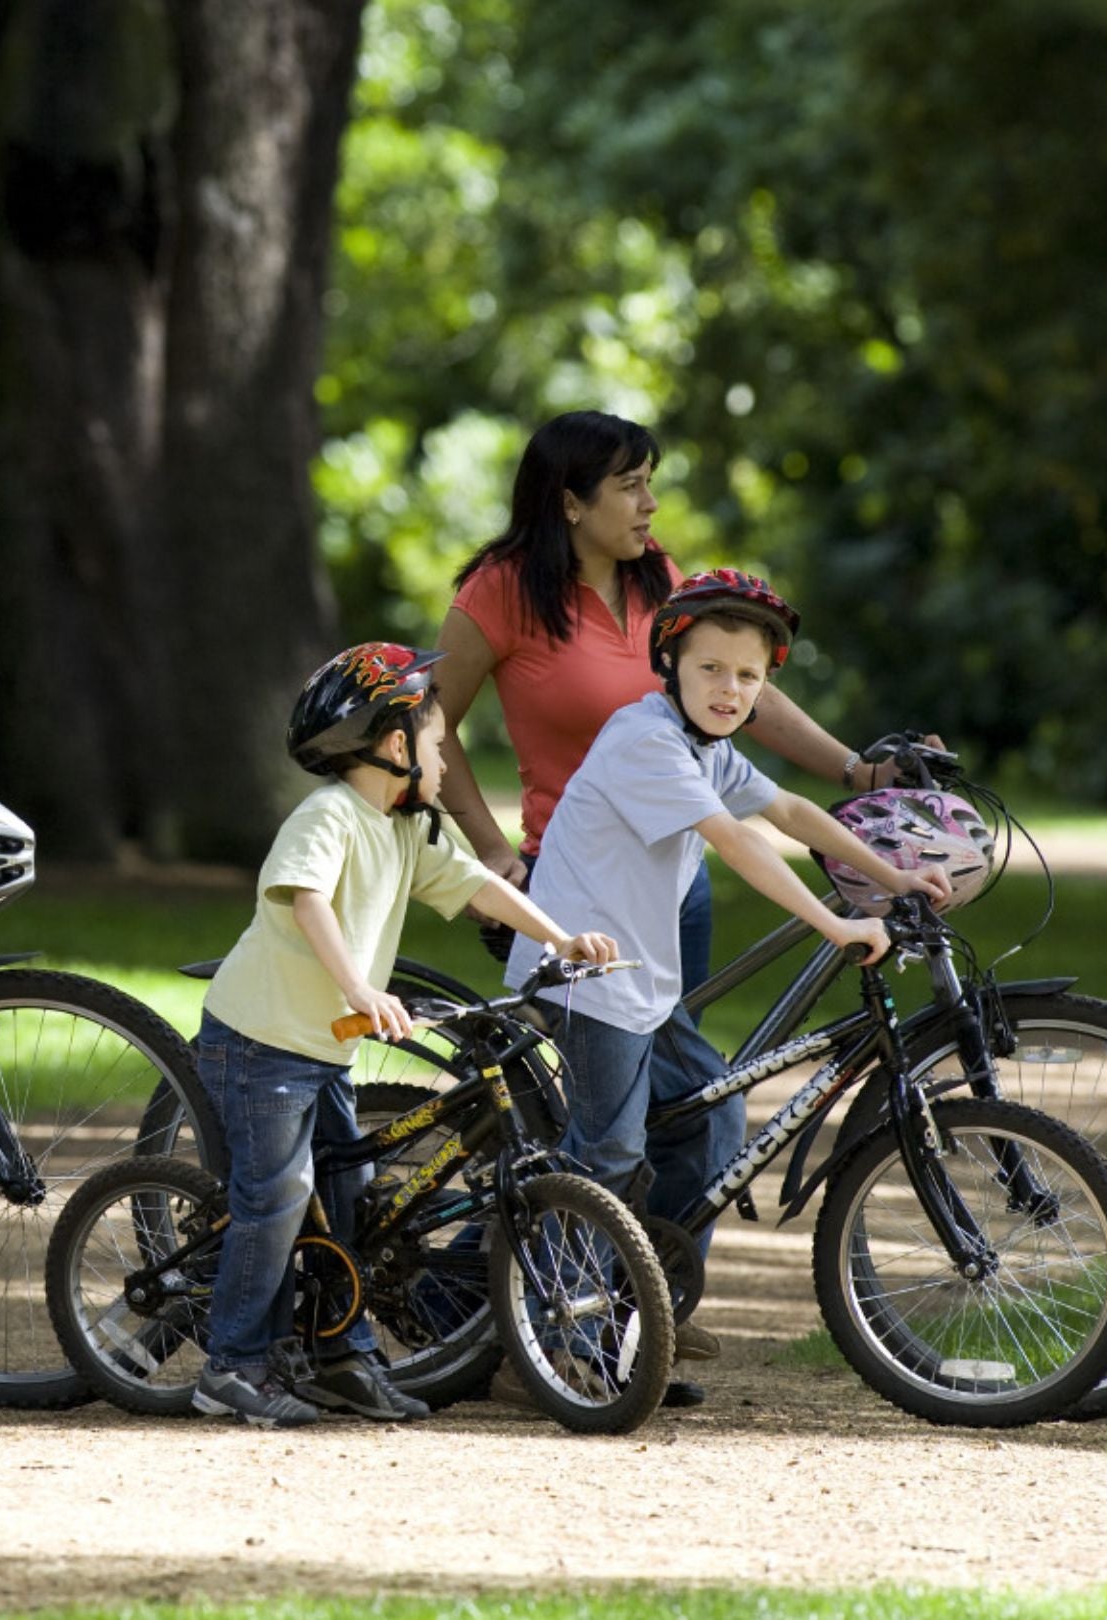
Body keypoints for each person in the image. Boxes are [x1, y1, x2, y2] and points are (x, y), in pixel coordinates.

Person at [430, 410, 934, 1377]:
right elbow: (433, 722)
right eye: (629, 486)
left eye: (651, 482)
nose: (651, 505)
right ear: (570, 500)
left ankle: (639, 1301)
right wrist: (493, 852)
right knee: (615, 1130)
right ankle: (542, 1313)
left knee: (681, 1108)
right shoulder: (503, 595)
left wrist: (859, 787)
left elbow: (752, 724)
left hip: (667, 895)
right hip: (575, 903)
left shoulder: (663, 593)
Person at [505, 570, 954, 1409]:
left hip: (638, 979)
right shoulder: (644, 740)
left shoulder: (708, 747)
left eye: (748, 676)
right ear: (668, 663)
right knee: (607, 1150)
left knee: (712, 1114)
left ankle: (639, 1317)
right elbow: (739, 844)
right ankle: (553, 1339)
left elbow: (785, 809)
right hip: (582, 975)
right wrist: (837, 925)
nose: (730, 689)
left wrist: (891, 871)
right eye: (711, 669)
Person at [192, 641, 619, 1428]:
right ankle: (233, 1366)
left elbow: (478, 885)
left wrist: (560, 939)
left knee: (350, 1200)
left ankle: (339, 1357)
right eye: (433, 743)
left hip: (320, 1050)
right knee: (279, 1196)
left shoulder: (405, 827)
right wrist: (360, 986)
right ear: (395, 747)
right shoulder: (330, 815)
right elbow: (307, 899)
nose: (445, 760)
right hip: (260, 1043)